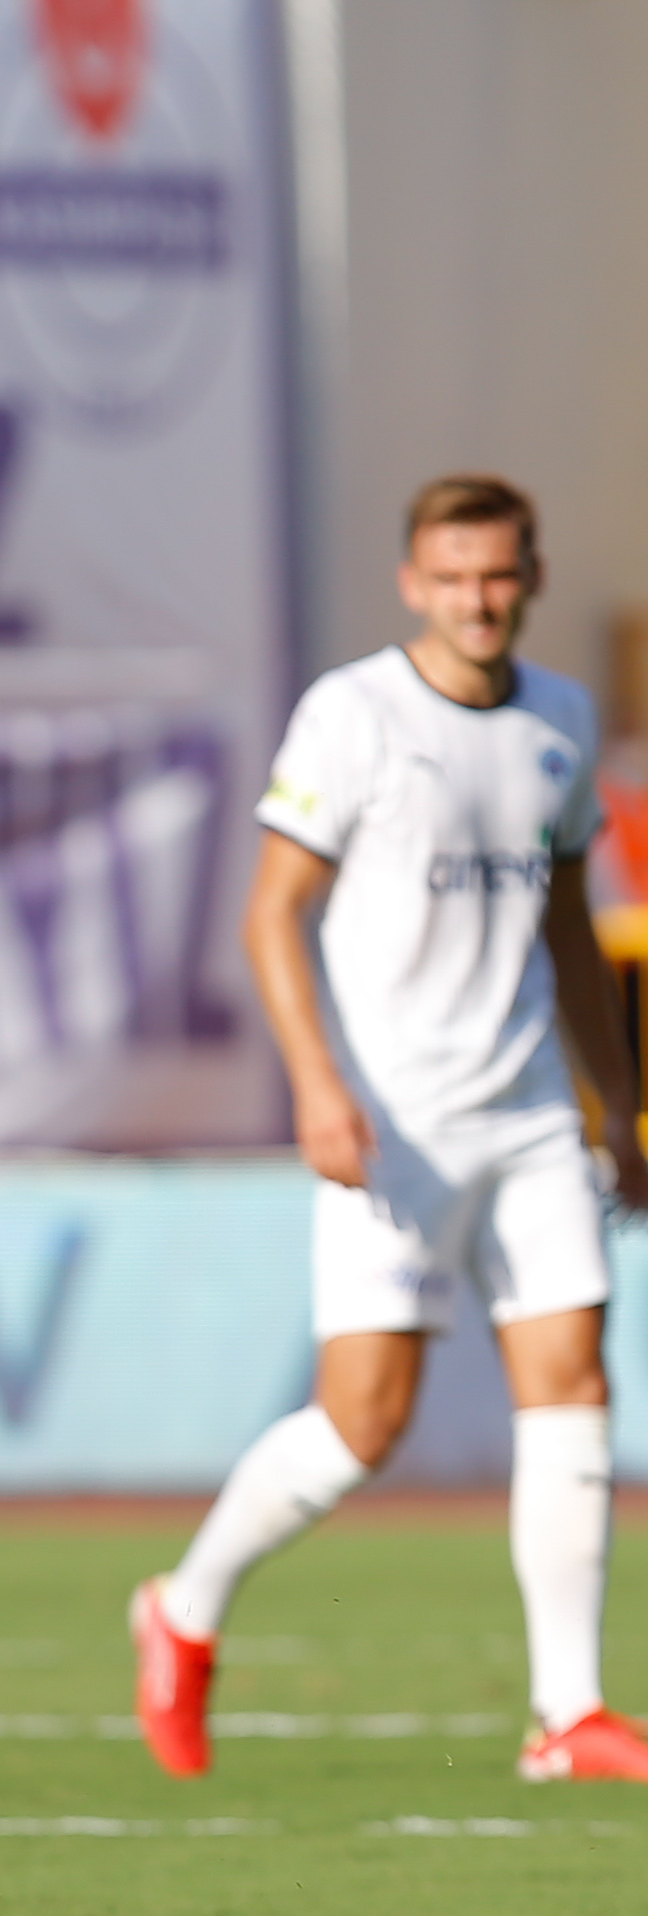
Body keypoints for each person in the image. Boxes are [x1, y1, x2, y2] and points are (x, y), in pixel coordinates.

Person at [133, 474, 648, 1783]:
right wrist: (315, 1083)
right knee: (362, 1424)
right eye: (452, 577)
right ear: (413, 584)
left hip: (529, 1113)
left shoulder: (560, 717)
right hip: (394, 1127)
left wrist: (620, 1100)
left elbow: (566, 923)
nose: (478, 599)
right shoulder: (353, 714)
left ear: (531, 578)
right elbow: (271, 911)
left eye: (498, 574)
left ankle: (567, 1712)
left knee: (574, 1383)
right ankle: (183, 1607)